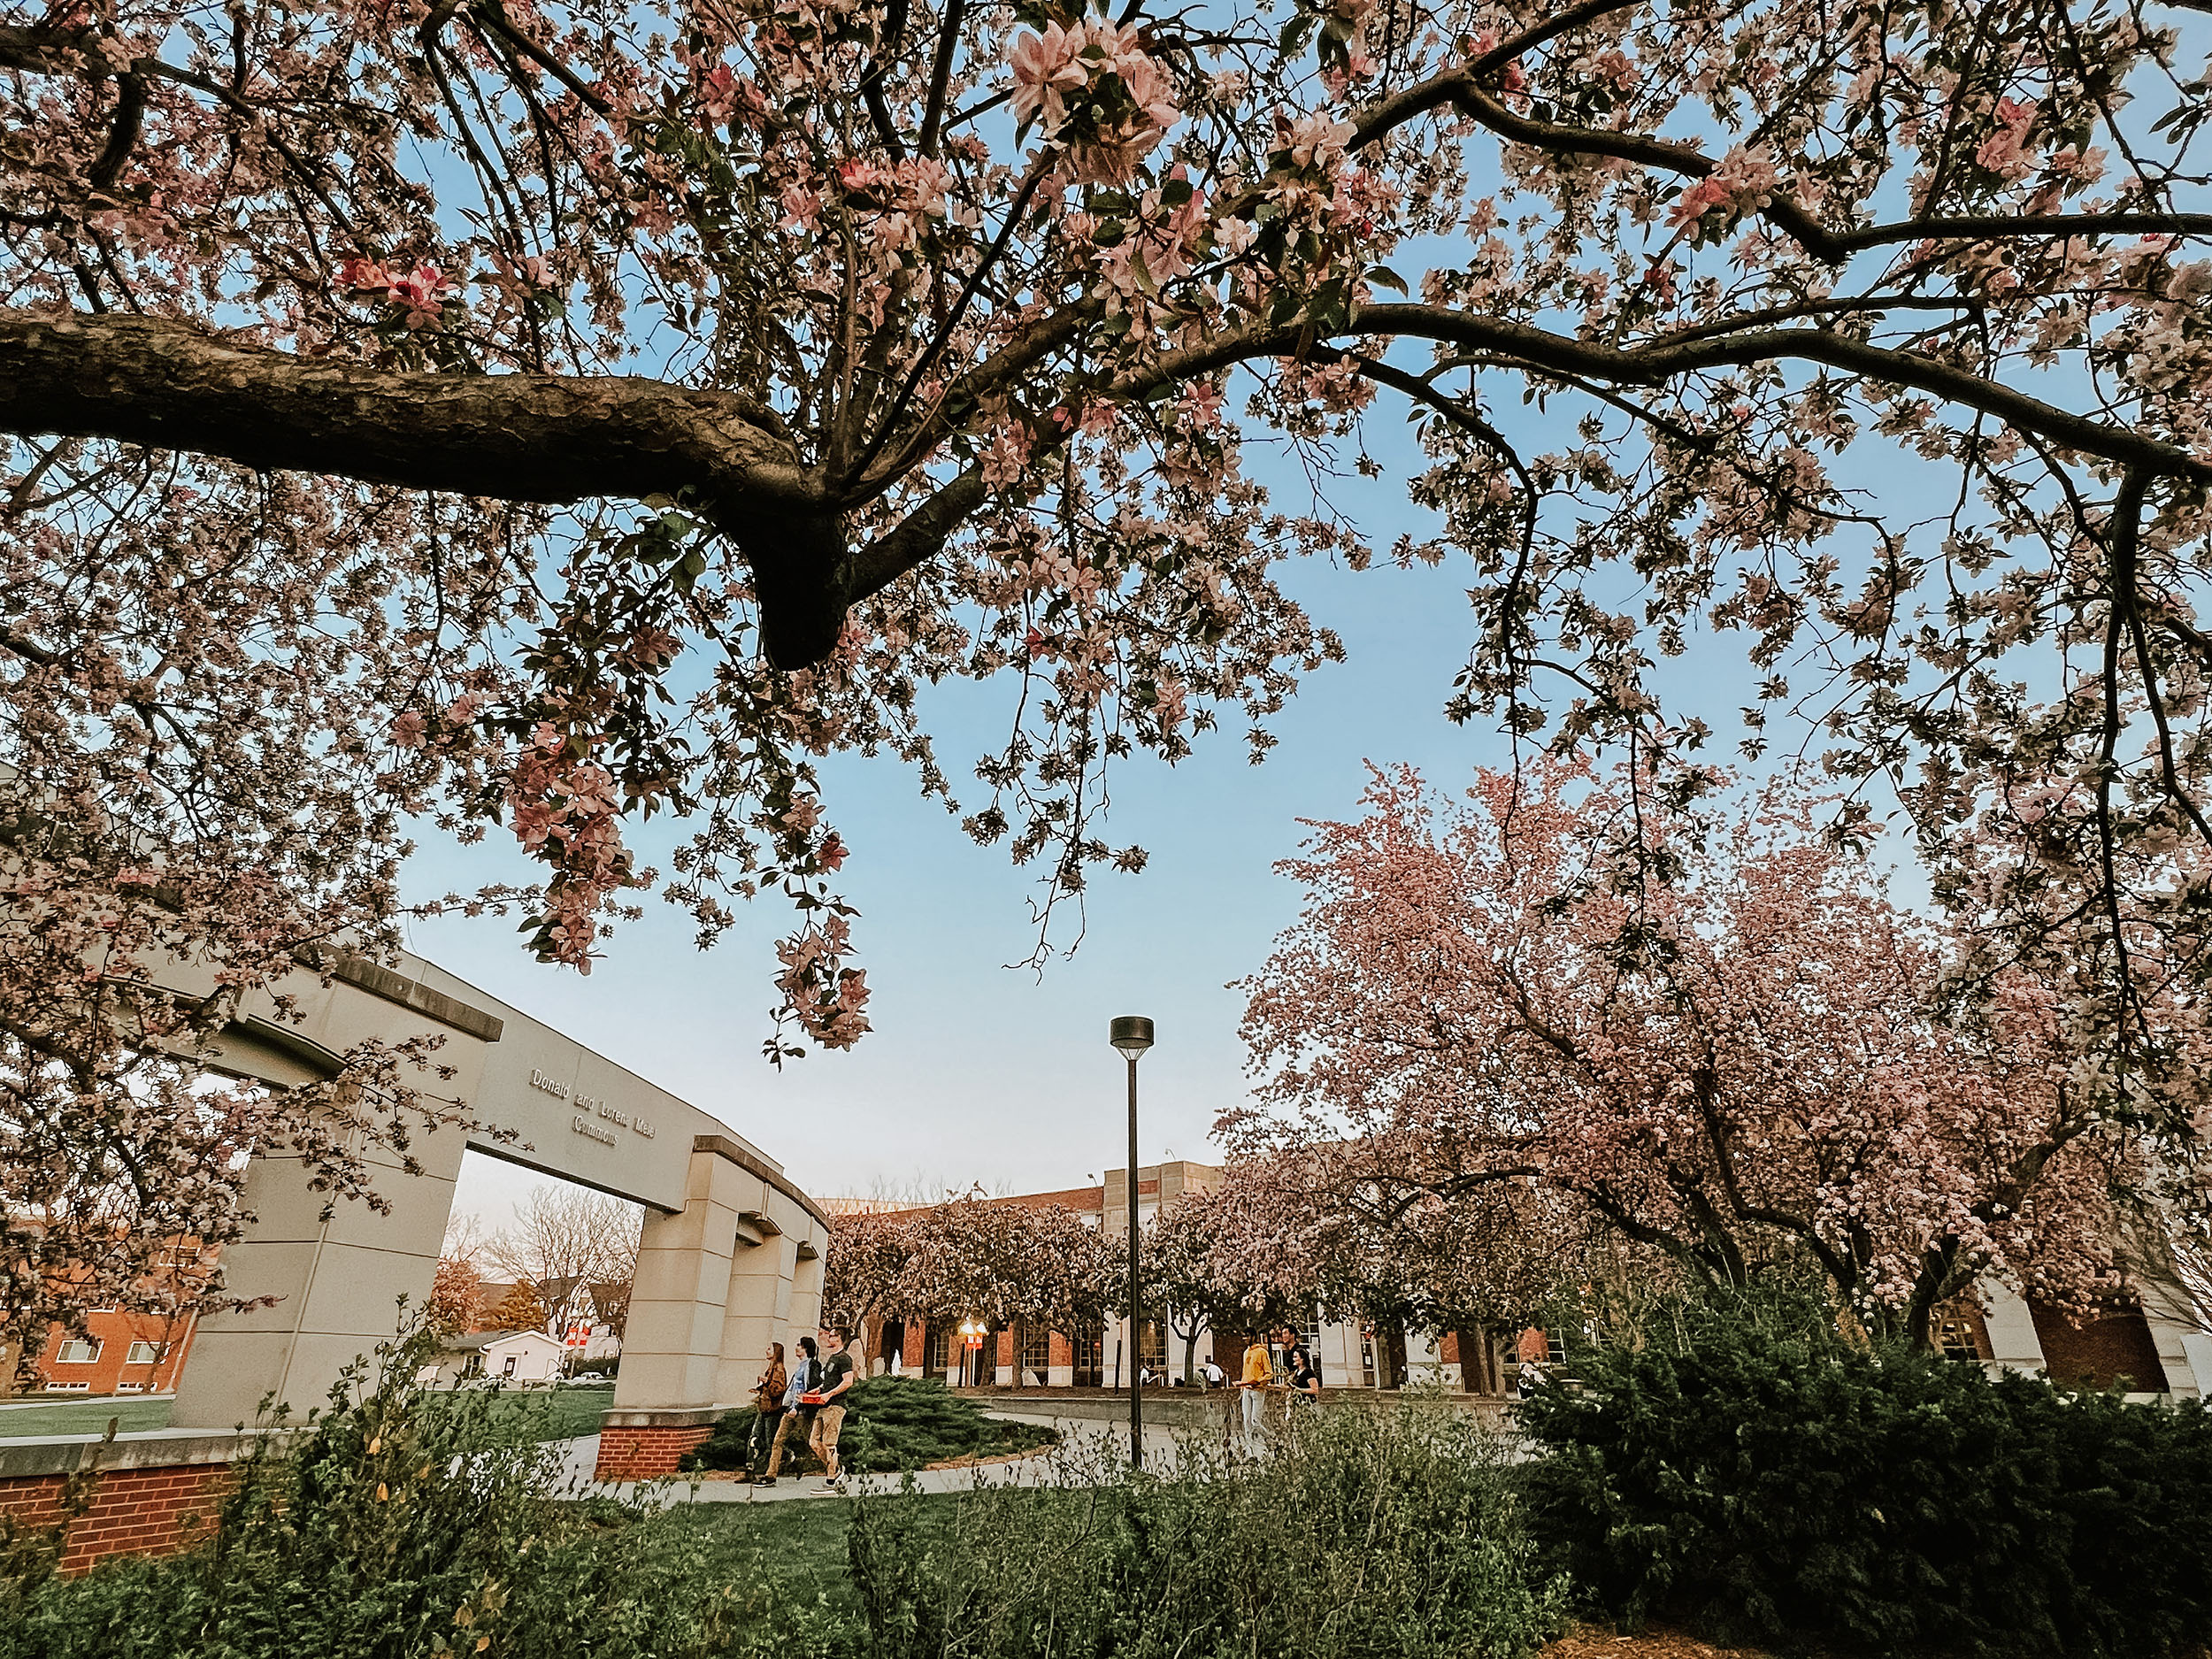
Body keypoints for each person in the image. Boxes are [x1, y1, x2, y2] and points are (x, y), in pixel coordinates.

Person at [757, 1334, 818, 1486]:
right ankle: (771, 1475)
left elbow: (811, 1389)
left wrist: (799, 1408)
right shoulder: (799, 1368)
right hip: (790, 1411)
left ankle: (835, 1469)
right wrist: (787, 1407)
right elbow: (792, 1390)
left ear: (805, 1348)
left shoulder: (812, 1365)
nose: (796, 1347)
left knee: (812, 1442)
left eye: (799, 1345)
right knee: (777, 1441)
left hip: (803, 1412)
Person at [809, 1324, 858, 1486]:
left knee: (829, 1443)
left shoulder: (844, 1358)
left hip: (835, 1406)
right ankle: (836, 1469)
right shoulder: (832, 1358)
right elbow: (829, 1382)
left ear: (839, 1338)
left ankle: (831, 1479)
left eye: (832, 1336)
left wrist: (829, 1394)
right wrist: (819, 1390)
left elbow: (848, 1381)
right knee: (814, 1442)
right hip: (822, 1406)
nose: (828, 1338)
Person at [746, 1340, 788, 1478]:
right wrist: (759, 1389)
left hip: (772, 1411)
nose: (767, 1350)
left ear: (776, 1352)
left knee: (771, 1442)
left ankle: (787, 1456)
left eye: (770, 1349)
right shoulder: (770, 1368)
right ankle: (750, 1469)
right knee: (754, 1437)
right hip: (764, 1409)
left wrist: (767, 1382)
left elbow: (779, 1390)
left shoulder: (779, 1369)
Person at [1239, 1331, 1272, 1455]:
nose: (1244, 1338)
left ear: (1253, 1336)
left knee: (1255, 1421)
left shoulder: (1262, 1352)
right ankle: (1250, 1447)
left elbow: (1269, 1373)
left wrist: (1259, 1381)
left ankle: (1270, 1439)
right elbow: (1244, 1372)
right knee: (1246, 1419)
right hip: (1246, 1389)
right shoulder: (1246, 1353)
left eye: (1247, 1336)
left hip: (1258, 1390)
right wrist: (1242, 1387)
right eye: (1243, 1336)